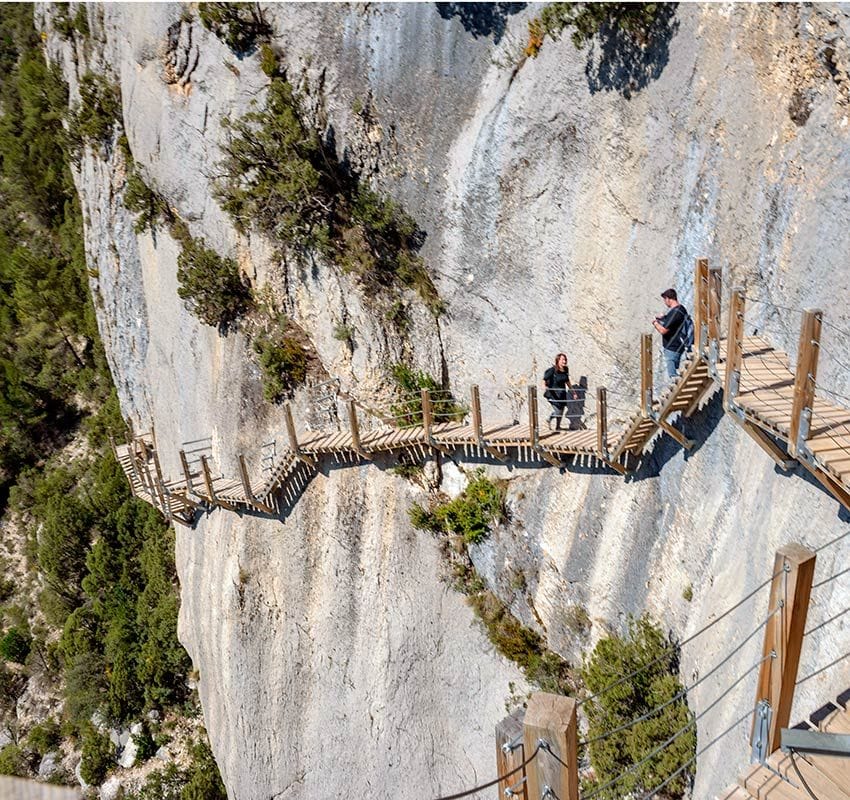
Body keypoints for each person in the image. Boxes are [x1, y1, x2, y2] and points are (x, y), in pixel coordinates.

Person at [652, 289, 690, 379]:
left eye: (665, 300)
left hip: (672, 347)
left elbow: (663, 330)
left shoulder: (675, 313)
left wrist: (655, 323)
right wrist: (663, 318)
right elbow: (673, 323)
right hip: (678, 345)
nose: (665, 303)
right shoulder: (681, 309)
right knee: (674, 373)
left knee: (673, 376)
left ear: (668, 299)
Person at [542, 353, 578, 430]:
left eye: (565, 360)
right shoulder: (553, 370)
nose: (564, 361)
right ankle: (548, 420)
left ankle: (558, 427)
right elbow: (544, 379)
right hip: (553, 394)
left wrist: (573, 392)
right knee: (557, 411)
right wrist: (545, 387)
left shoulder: (565, 370)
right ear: (558, 360)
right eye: (562, 360)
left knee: (561, 411)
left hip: (562, 394)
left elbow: (567, 382)